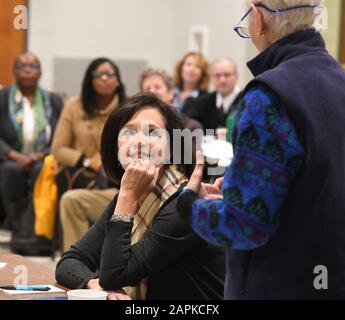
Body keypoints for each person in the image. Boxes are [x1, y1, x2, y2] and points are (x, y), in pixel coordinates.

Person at [178, 0, 345, 299]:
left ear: (257, 18)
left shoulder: (268, 96)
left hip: (280, 284)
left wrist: (190, 206)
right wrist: (236, 192)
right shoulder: (339, 81)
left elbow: (244, 225)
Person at [55, 93, 225, 300]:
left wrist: (127, 196)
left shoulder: (186, 204)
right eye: (128, 132)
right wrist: (92, 283)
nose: (139, 142)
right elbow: (70, 261)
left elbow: (115, 275)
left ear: (171, 149)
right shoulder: (129, 196)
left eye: (152, 133)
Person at [51, 58, 126, 252]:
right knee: (70, 199)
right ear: (90, 80)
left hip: (117, 182)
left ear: (118, 80)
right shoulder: (74, 107)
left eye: (110, 74)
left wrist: (108, 161)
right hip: (83, 178)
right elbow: (58, 149)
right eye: (98, 74)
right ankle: (74, 263)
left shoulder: (128, 109)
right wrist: (86, 161)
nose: (104, 79)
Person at [0, 52, 63, 253]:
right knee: (11, 171)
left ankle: (34, 234)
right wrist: (14, 155)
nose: (27, 70)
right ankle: (17, 227)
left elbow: (60, 134)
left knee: (40, 171)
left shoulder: (53, 100)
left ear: (40, 72)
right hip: (8, 158)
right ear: (14, 71)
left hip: (43, 158)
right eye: (22, 66)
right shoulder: (2, 98)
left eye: (33, 66)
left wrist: (41, 154)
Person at [183, 58, 242, 133]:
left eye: (227, 75)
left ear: (236, 76)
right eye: (217, 75)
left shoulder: (246, 100)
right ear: (211, 77)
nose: (222, 80)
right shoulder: (203, 102)